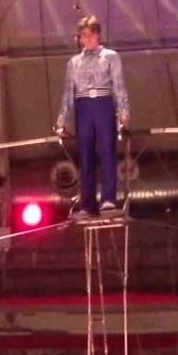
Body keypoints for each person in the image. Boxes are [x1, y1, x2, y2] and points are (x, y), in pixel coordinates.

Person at [54, 15, 129, 217]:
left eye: (88, 35)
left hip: (103, 103)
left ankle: (108, 199)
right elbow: (68, 92)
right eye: (81, 36)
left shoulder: (111, 56)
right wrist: (63, 120)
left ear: (97, 34)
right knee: (85, 154)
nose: (84, 40)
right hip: (83, 106)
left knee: (107, 151)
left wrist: (123, 111)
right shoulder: (73, 62)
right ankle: (87, 203)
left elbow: (119, 85)